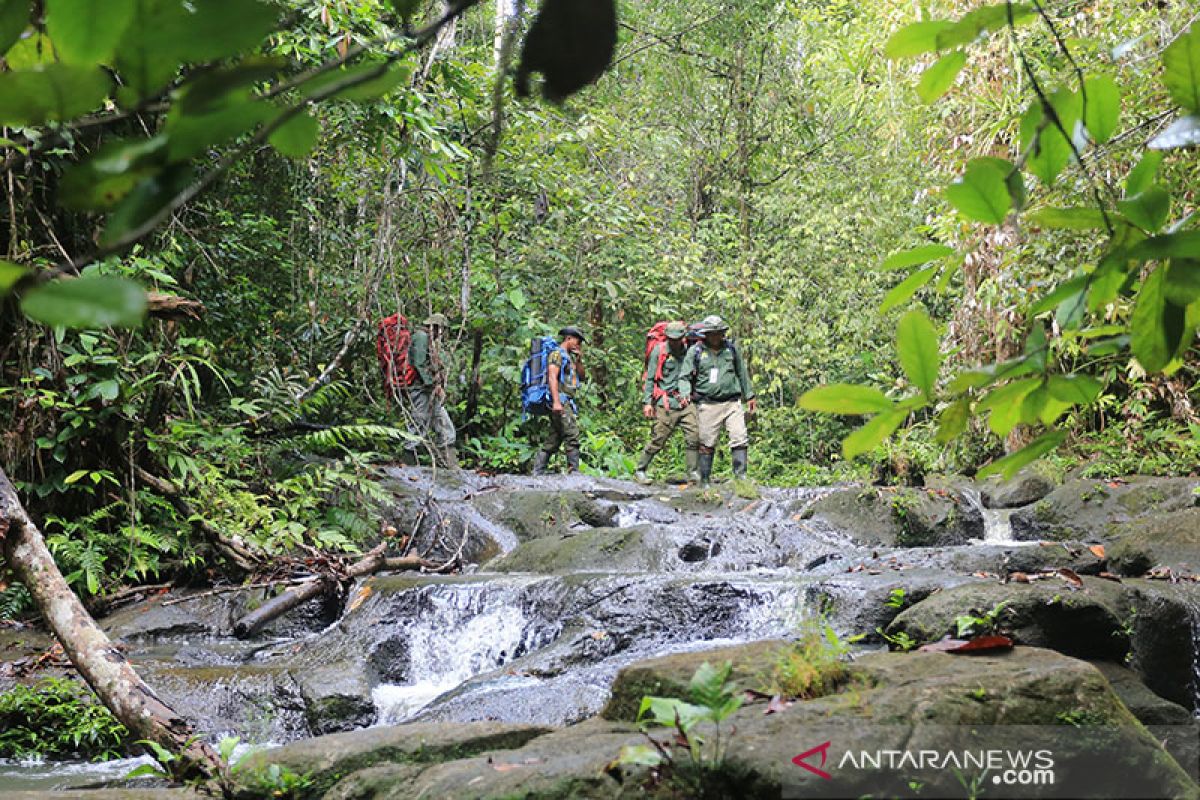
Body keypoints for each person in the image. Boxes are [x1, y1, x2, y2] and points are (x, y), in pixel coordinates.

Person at [678, 315, 756, 487]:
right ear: (705, 334)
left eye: (718, 333)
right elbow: (684, 376)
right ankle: (705, 480)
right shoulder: (696, 351)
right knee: (707, 442)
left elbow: (742, 373)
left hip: (731, 402)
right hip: (707, 404)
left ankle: (741, 477)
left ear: (723, 333)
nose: (715, 337)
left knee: (739, 437)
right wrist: (684, 392)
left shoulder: (731, 350)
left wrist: (749, 395)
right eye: (712, 334)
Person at [634, 321, 700, 484]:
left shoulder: (690, 351)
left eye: (678, 339)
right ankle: (640, 469)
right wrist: (647, 402)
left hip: (685, 401)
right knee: (659, 438)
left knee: (694, 436)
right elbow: (650, 378)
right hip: (666, 402)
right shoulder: (660, 350)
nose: (675, 342)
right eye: (671, 339)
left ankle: (693, 473)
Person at [404, 313, 457, 469]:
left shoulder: (427, 340)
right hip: (420, 390)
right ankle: (408, 466)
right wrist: (432, 384)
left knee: (444, 424)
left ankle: (450, 465)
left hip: (428, 391)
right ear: (436, 327)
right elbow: (419, 363)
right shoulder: (421, 337)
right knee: (417, 426)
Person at [531, 326, 585, 475]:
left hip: (566, 400)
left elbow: (582, 377)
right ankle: (574, 472)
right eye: (577, 341)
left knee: (554, 439)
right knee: (572, 435)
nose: (578, 345)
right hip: (560, 400)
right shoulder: (556, 355)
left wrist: (579, 359)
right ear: (568, 339)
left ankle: (537, 471)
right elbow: (552, 377)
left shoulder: (569, 357)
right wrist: (556, 402)